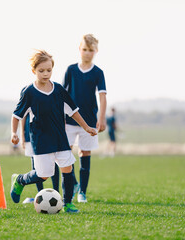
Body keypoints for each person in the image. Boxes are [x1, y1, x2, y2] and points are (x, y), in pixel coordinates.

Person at [10, 50, 97, 213]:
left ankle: (67, 203)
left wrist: (86, 127)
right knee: (43, 174)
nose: (45, 73)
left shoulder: (58, 89)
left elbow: (73, 111)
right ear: (33, 71)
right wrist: (14, 133)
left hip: (59, 137)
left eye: (49, 70)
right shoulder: (29, 92)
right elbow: (16, 116)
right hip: (41, 139)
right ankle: (19, 180)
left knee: (68, 168)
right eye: (41, 70)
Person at [63, 34, 107, 203]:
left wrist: (101, 118)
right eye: (84, 49)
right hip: (69, 120)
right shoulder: (71, 70)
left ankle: (82, 191)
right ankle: (73, 183)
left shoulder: (98, 73)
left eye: (91, 50)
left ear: (96, 51)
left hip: (89, 121)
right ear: (79, 50)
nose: (87, 53)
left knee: (84, 152)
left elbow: (102, 96)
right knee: (64, 152)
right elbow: (62, 95)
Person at [20, 113, 60, 203]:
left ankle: (57, 193)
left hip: (48, 131)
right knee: (36, 165)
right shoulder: (27, 98)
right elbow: (22, 114)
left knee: (53, 161)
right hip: (31, 133)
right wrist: (22, 135)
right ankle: (40, 195)